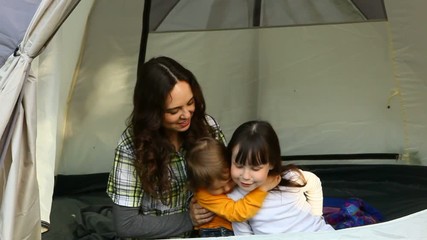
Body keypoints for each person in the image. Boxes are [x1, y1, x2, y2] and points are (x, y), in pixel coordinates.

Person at [106, 56, 225, 239]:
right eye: (173, 111)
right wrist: (188, 219)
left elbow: (231, 179)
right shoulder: (131, 147)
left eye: (190, 103)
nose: (186, 115)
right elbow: (126, 224)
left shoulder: (206, 127)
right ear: (152, 112)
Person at [227, 120, 335, 235]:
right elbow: (244, 237)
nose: (245, 176)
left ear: (272, 163)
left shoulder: (290, 177)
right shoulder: (235, 198)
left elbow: (314, 182)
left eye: (255, 168)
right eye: (238, 165)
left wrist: (317, 216)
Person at [186, 137, 280, 237]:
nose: (227, 188)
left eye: (229, 180)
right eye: (219, 188)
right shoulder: (204, 195)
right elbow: (237, 212)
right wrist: (262, 189)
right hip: (215, 232)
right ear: (202, 185)